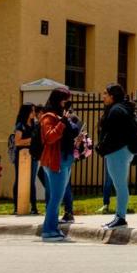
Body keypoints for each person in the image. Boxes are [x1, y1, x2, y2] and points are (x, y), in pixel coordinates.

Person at [39, 87, 77, 242]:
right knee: (55, 198)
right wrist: (62, 123)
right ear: (57, 100)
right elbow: (49, 137)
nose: (66, 103)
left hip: (64, 158)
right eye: (64, 99)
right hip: (56, 160)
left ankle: (52, 228)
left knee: (58, 196)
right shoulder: (48, 117)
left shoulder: (60, 116)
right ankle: (48, 230)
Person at [96, 83, 134, 230]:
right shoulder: (122, 108)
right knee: (120, 184)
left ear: (112, 96)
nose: (103, 96)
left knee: (120, 185)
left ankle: (121, 217)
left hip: (117, 152)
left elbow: (112, 134)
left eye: (105, 93)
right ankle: (119, 216)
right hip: (122, 151)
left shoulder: (116, 110)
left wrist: (102, 147)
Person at [12, 102, 39, 215]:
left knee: (32, 181)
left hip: (33, 155)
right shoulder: (20, 125)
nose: (34, 113)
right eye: (32, 111)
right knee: (19, 179)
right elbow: (18, 142)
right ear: (27, 112)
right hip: (22, 156)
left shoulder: (34, 124)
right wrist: (31, 140)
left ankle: (33, 207)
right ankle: (16, 206)